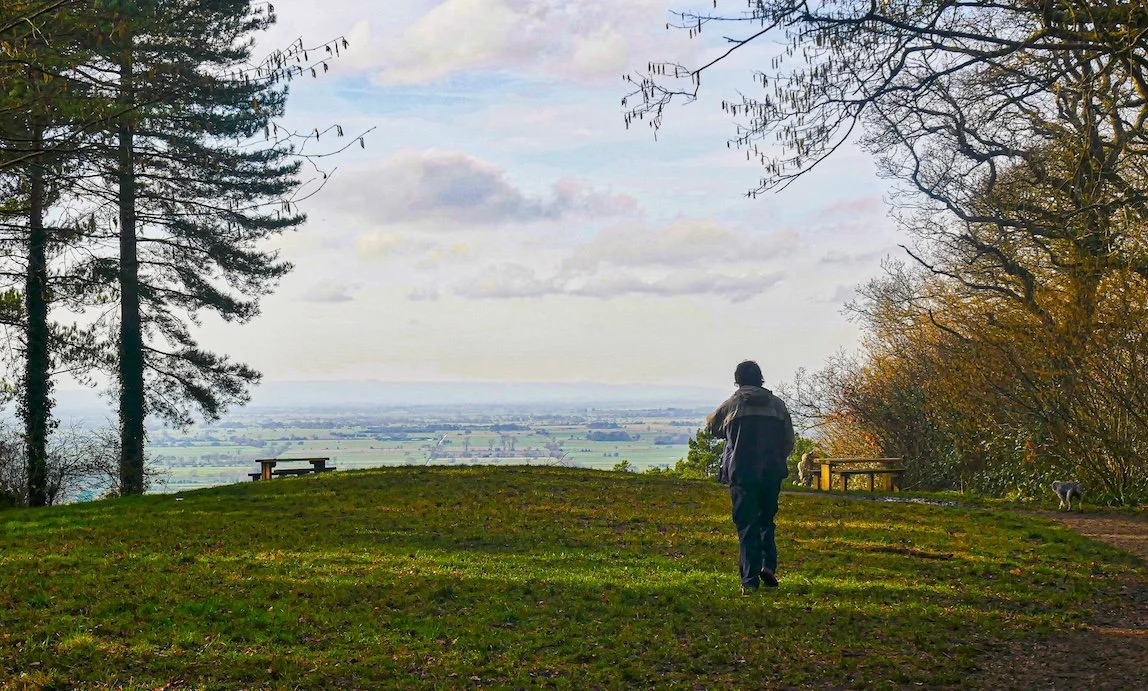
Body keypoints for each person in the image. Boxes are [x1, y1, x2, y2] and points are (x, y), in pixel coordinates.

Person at [706, 360, 795, 595]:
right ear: (760, 378)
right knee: (766, 520)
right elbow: (788, 440)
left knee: (746, 524)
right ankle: (768, 565)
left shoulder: (732, 405)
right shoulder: (777, 405)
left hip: (742, 472)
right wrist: (776, 458)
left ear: (738, 380)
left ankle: (749, 580)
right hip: (771, 472)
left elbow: (712, 427)